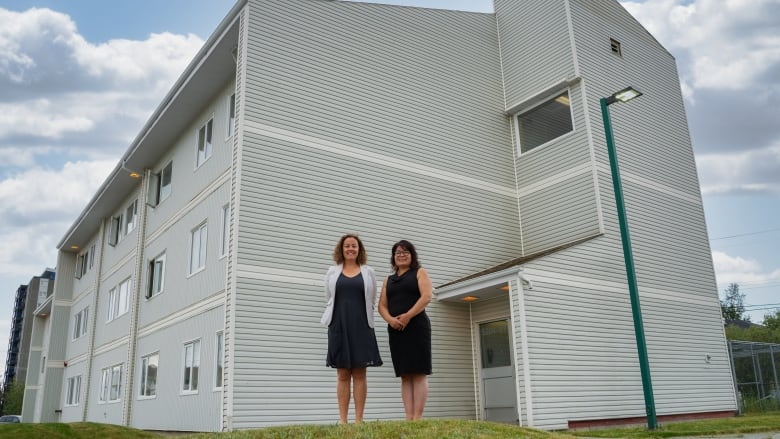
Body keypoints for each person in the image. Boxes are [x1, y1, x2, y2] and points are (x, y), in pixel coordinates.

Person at [321, 234, 383, 424]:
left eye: (354, 246)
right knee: (342, 374)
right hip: (338, 325)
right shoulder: (332, 272)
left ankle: (358, 420)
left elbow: (371, 300)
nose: (350, 249)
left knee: (359, 373)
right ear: (341, 249)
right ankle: (343, 420)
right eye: (347, 246)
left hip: (362, 326)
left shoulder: (368, 272)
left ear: (359, 250)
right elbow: (329, 298)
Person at [378, 239, 433, 420]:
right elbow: (382, 306)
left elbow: (426, 297)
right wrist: (390, 320)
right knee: (405, 374)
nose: (401, 255)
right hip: (396, 330)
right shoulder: (389, 279)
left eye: (405, 252)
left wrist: (408, 316)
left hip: (417, 328)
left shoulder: (419, 272)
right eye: (398, 252)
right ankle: (409, 417)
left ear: (412, 255)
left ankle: (417, 417)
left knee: (418, 373)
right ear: (393, 258)